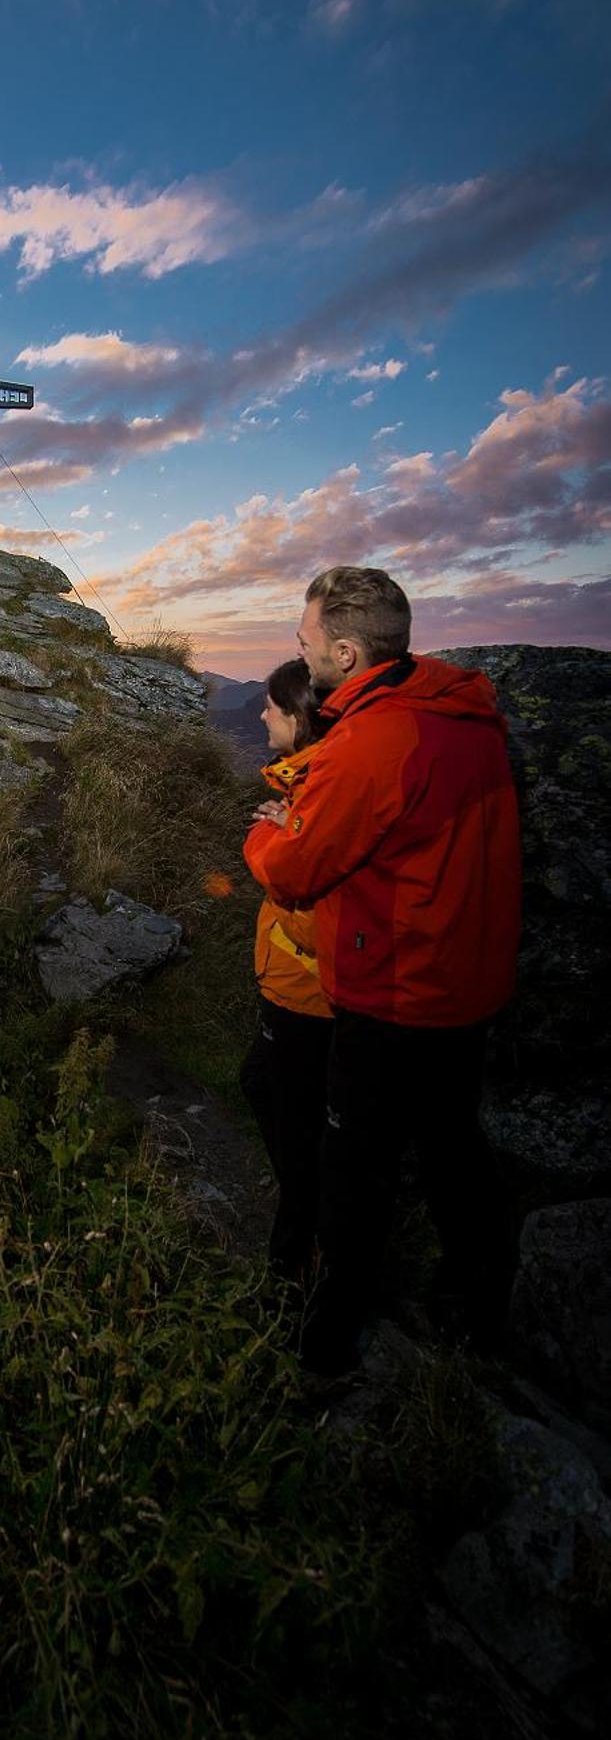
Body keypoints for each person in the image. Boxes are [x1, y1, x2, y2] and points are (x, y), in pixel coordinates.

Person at [244, 566, 521, 1373]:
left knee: (351, 1169)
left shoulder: (372, 741)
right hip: (468, 979)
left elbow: (293, 870)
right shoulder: (466, 717)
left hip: (394, 987)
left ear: (344, 651)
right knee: (449, 1148)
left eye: (304, 643)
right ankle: (476, 1304)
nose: (299, 653)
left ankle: (324, 1345)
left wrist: (265, 833)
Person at [238, 659, 333, 1282]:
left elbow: (306, 900)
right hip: (295, 985)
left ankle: (293, 1268)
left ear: (300, 719)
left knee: (298, 1126)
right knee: (262, 1085)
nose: (262, 713)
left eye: (273, 706)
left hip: (311, 995)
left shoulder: (325, 792)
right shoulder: (310, 786)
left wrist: (272, 842)